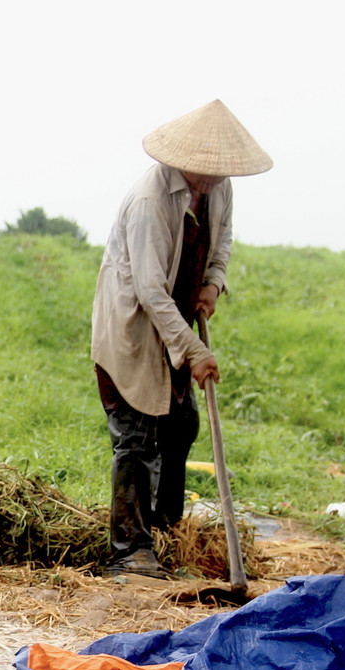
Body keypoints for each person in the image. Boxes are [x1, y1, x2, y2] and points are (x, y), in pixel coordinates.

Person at [90, 100, 272, 577]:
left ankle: (165, 527)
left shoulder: (216, 187)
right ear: (181, 159)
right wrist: (193, 351)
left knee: (181, 423)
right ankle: (129, 549)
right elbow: (149, 288)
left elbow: (223, 237)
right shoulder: (152, 201)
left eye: (218, 172)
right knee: (136, 436)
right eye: (203, 171)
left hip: (174, 320)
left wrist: (212, 282)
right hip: (133, 325)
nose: (210, 180)